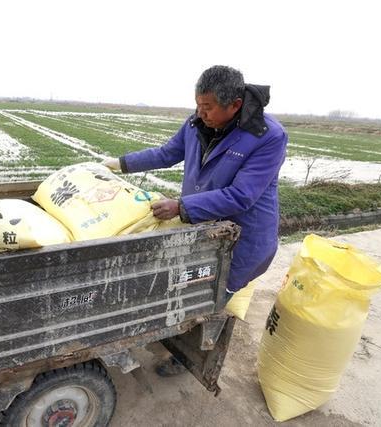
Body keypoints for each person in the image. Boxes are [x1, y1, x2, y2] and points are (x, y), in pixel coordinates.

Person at [103, 65, 288, 376]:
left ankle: (188, 356)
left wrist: (181, 206)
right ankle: (179, 338)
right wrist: (119, 164)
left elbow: (242, 196)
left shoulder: (267, 137)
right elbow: (165, 154)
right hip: (202, 227)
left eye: (208, 107)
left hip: (242, 239)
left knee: (209, 298)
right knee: (187, 288)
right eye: (198, 105)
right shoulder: (196, 124)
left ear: (235, 106)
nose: (201, 113)